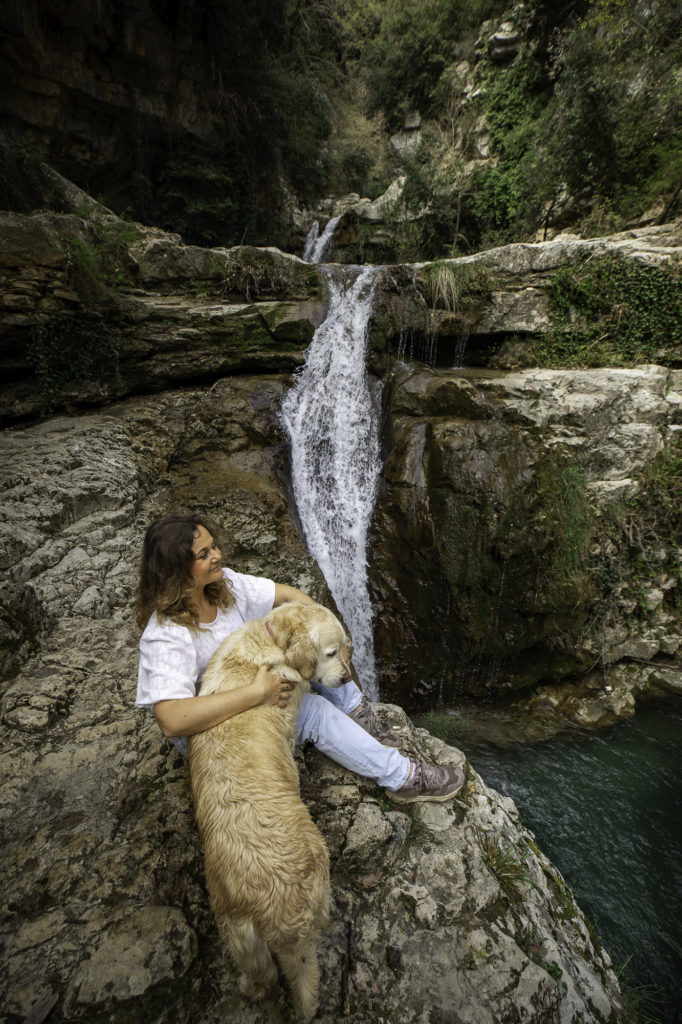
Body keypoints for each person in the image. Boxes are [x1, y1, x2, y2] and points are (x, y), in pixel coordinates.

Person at [135, 514, 465, 803]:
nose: (218, 555)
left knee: (315, 647)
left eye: (215, 545)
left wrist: (331, 632)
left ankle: (359, 715)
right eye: (204, 554)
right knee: (316, 711)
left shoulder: (223, 586)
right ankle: (403, 778)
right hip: (223, 731)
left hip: (258, 687)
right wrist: (257, 693)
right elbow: (172, 720)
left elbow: (288, 596)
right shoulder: (166, 635)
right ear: (178, 570)